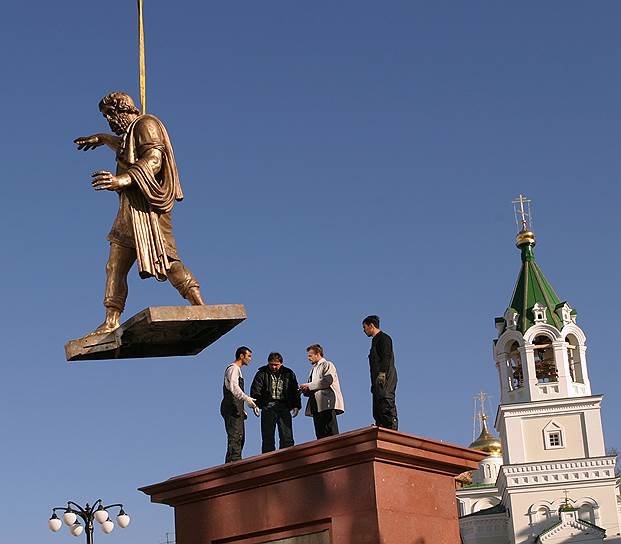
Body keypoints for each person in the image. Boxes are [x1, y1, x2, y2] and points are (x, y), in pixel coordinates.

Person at [74, 92, 204, 335]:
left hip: (147, 209)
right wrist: (102, 139)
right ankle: (111, 320)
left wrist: (120, 179)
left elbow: (154, 159)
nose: (109, 122)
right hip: (128, 213)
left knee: (167, 261)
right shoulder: (130, 132)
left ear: (121, 111)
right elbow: (125, 147)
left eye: (109, 116)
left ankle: (199, 305)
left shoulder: (146, 125)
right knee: (114, 266)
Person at [250, 352, 301, 453]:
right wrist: (255, 404)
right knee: (267, 436)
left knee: (287, 436)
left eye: (276, 364)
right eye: (271, 364)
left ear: (281, 363)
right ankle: (268, 461)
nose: (273, 367)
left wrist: (296, 405)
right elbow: (256, 390)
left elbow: (294, 390)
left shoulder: (289, 373)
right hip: (268, 406)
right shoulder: (262, 373)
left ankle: (288, 458)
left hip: (284, 406)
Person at [220, 346, 259, 463]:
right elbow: (234, 388)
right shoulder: (233, 369)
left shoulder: (238, 370)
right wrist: (247, 399)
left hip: (236, 409)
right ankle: (234, 466)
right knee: (236, 438)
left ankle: (231, 465)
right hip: (231, 409)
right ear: (241, 356)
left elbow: (237, 393)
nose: (250, 359)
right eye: (249, 356)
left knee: (239, 439)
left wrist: (246, 407)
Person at [299, 344, 344, 439]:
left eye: (310, 355)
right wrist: (305, 390)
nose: (308, 358)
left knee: (331, 431)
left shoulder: (327, 364)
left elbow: (327, 381)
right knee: (320, 433)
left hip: (327, 403)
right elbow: (313, 387)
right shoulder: (312, 370)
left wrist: (308, 386)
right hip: (315, 404)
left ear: (317, 354)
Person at [362, 315, 398, 430]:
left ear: (371, 326)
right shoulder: (374, 341)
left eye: (364, 327)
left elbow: (386, 356)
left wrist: (382, 374)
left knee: (386, 403)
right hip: (376, 381)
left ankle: (391, 431)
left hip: (385, 379)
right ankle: (381, 428)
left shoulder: (384, 338)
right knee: (378, 408)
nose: (364, 330)